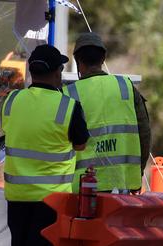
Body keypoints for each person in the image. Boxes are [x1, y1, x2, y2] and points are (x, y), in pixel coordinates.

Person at [1, 44, 89, 246]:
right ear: (55, 72)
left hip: (17, 195)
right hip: (51, 199)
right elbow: (80, 143)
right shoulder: (67, 106)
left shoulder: (12, 101)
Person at [64, 32, 151, 192]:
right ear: (103, 58)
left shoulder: (68, 94)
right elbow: (144, 134)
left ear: (77, 59)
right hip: (121, 185)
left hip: (81, 188)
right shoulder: (126, 87)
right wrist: (136, 173)